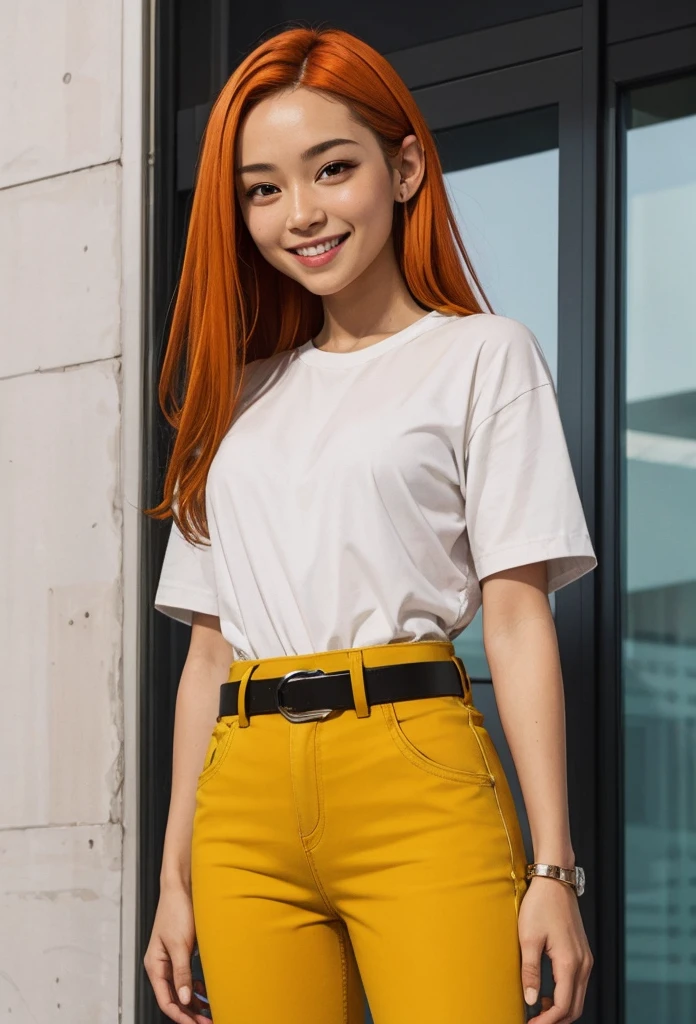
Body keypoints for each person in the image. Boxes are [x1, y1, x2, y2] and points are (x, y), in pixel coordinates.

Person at [143, 24, 597, 1024]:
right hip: (244, 796)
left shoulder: (484, 356)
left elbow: (518, 622)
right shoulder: (240, 398)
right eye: (262, 189)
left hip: (417, 777)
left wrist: (554, 868)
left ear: (404, 167)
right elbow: (207, 655)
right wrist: (173, 878)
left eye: (331, 169)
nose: (299, 213)